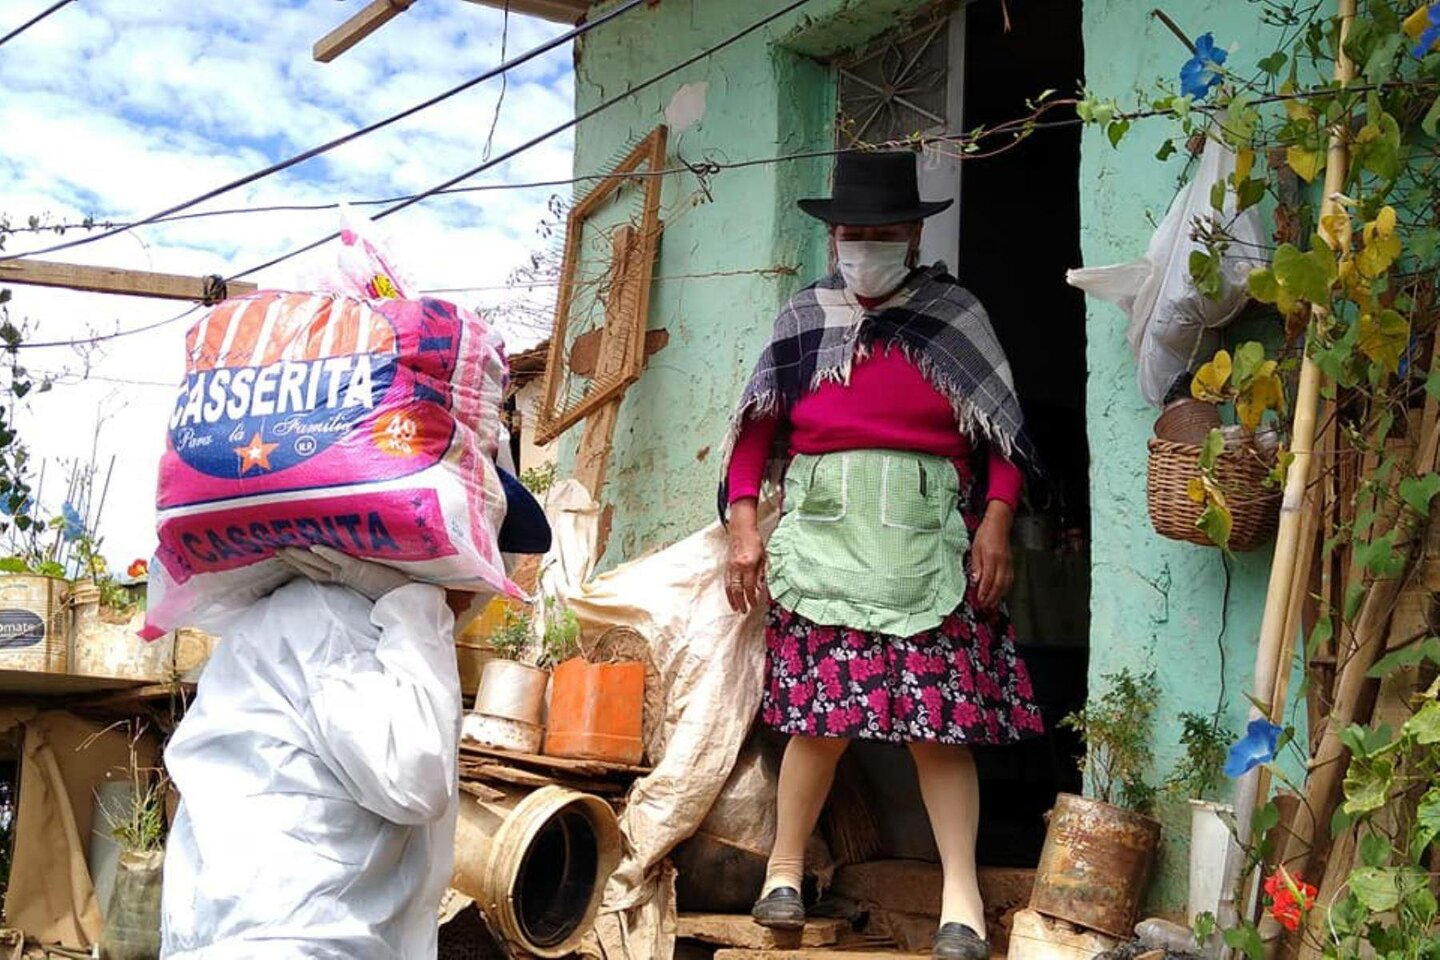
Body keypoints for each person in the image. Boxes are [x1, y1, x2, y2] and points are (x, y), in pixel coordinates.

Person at [720, 151, 1046, 960]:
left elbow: (999, 435)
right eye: (851, 234)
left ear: (915, 232)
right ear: (832, 237)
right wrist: (743, 524)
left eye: (882, 233)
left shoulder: (954, 313)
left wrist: (997, 520)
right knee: (819, 724)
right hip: (824, 537)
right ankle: (784, 877)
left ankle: (961, 902)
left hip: (926, 541)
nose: (864, 247)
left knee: (937, 731)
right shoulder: (804, 317)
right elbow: (753, 435)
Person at [160, 545, 468, 959]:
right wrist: (415, 606)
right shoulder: (335, 617)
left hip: (255, 931)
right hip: (294, 938)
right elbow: (415, 780)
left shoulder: (283, 617)